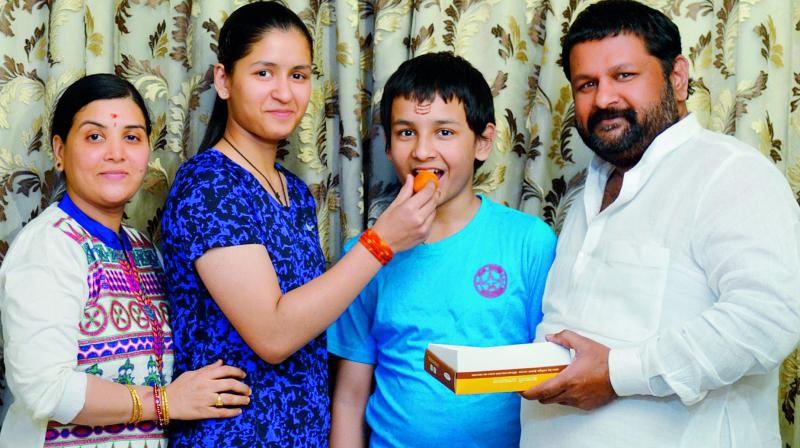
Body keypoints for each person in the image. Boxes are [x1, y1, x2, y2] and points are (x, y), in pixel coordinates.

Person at [519, 1, 800, 446]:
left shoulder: (730, 174)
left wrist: (617, 374)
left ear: (678, 77)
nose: (604, 98)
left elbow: (768, 320)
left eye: (624, 76)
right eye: (587, 84)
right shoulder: (590, 187)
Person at [159, 2, 436, 446]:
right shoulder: (208, 185)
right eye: (264, 73)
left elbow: (311, 316)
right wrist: (381, 242)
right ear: (224, 80)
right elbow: (272, 334)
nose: (285, 93)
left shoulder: (294, 192)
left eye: (299, 75)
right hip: (234, 435)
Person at [0, 74, 251, 448]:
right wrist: (167, 401)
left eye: (131, 137)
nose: (116, 153)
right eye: (94, 136)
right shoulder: (50, 245)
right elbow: (46, 390)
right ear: (58, 150)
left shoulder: (144, 251)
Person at [327, 52, 557, 447]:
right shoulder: (363, 255)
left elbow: (551, 375)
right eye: (405, 132)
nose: (422, 151)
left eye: (444, 133)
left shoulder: (530, 241)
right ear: (387, 146)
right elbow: (349, 398)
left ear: (483, 143)